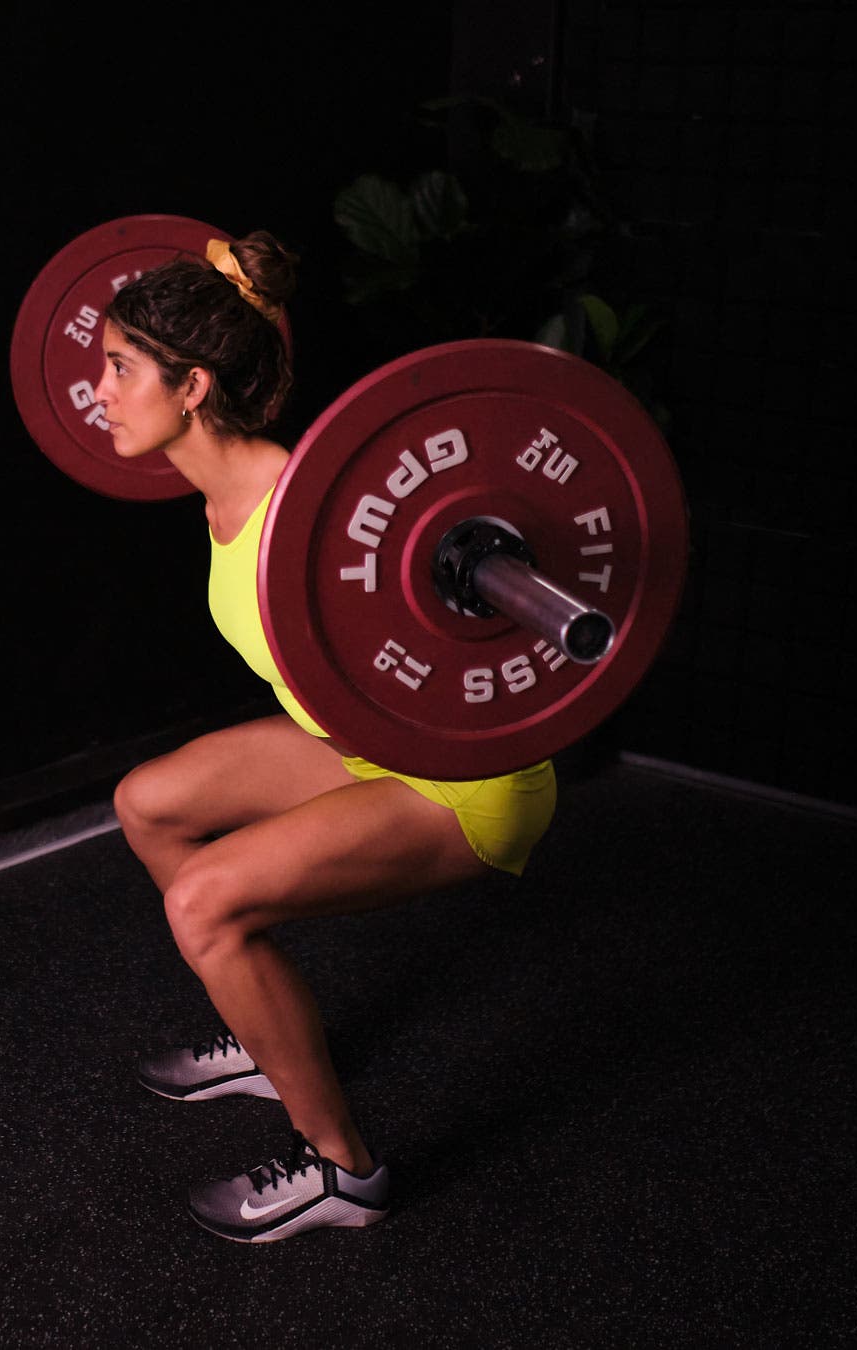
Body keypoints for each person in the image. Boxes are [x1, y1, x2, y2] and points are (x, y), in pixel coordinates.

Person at [92, 231, 558, 1243]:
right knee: (147, 802)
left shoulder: (309, 510)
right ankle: (270, 1041)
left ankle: (344, 1172)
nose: (96, 390)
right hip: (360, 742)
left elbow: (469, 622)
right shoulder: (219, 488)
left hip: (460, 779)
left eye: (120, 368)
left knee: (203, 902)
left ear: (193, 386)